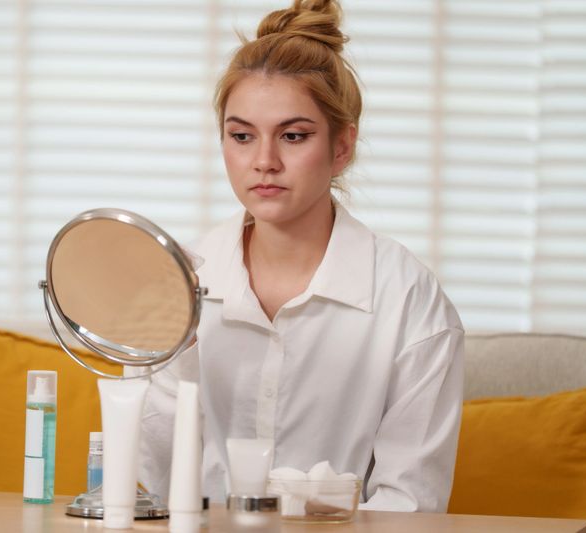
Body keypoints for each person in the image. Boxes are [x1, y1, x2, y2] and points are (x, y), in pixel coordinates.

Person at [127, 0, 464, 513]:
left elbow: (410, 505)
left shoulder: (408, 299)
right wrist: (178, 355)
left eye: (293, 135)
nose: (264, 161)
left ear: (342, 147)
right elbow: (153, 482)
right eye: (242, 136)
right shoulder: (178, 282)